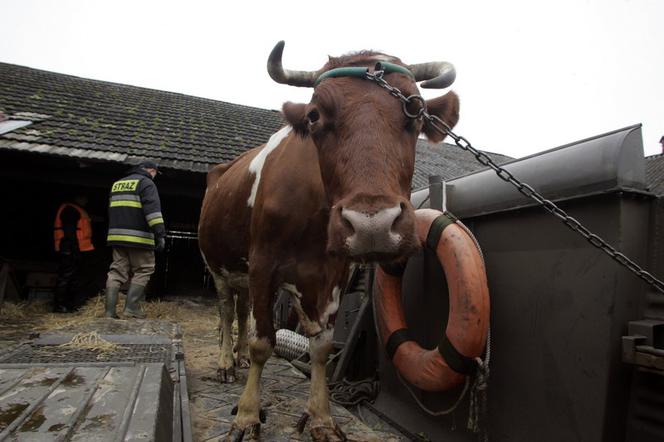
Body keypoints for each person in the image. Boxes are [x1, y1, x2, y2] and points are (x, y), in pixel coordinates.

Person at [104, 160, 166, 319]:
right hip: (139, 238)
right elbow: (152, 211)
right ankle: (131, 308)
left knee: (116, 272)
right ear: (151, 171)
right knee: (144, 269)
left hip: (117, 237)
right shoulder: (146, 183)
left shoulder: (117, 184)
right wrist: (160, 234)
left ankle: (109, 312)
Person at [53, 196, 95, 312]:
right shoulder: (70, 210)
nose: (86, 200)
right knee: (66, 277)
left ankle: (70, 305)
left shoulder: (75, 209)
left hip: (74, 249)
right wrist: (73, 250)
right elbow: (69, 232)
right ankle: (61, 305)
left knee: (73, 277)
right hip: (69, 249)